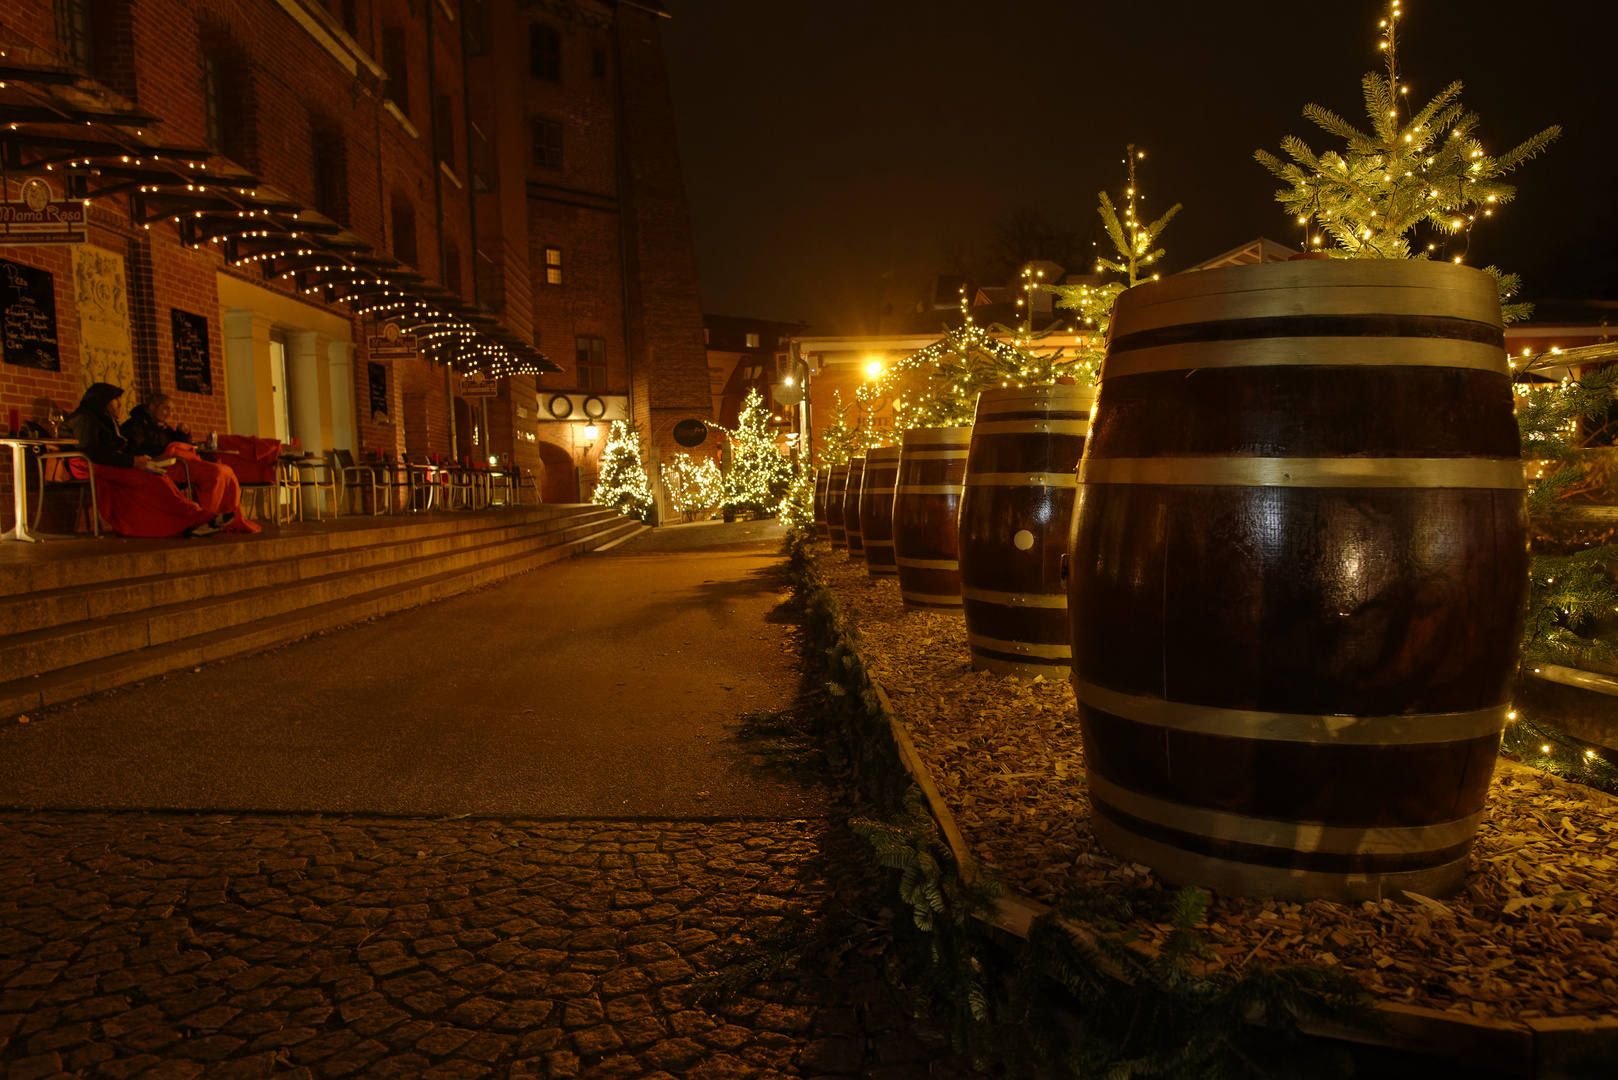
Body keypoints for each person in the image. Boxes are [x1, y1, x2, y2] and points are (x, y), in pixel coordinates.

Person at [63, 383, 236, 538]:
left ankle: (196, 518)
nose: (120, 405)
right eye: (116, 401)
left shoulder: (101, 419)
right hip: (89, 465)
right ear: (103, 401)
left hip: (107, 463)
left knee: (157, 478)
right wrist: (132, 461)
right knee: (152, 479)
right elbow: (93, 452)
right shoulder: (85, 418)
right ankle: (190, 520)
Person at [119, 391, 259, 534]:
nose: (170, 413)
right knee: (215, 473)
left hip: (182, 461)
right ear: (152, 407)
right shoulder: (135, 425)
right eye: (165, 408)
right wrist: (156, 457)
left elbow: (179, 445)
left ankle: (226, 516)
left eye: (172, 410)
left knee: (226, 471)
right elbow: (137, 450)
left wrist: (183, 434)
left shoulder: (166, 428)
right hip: (162, 466)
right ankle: (206, 518)